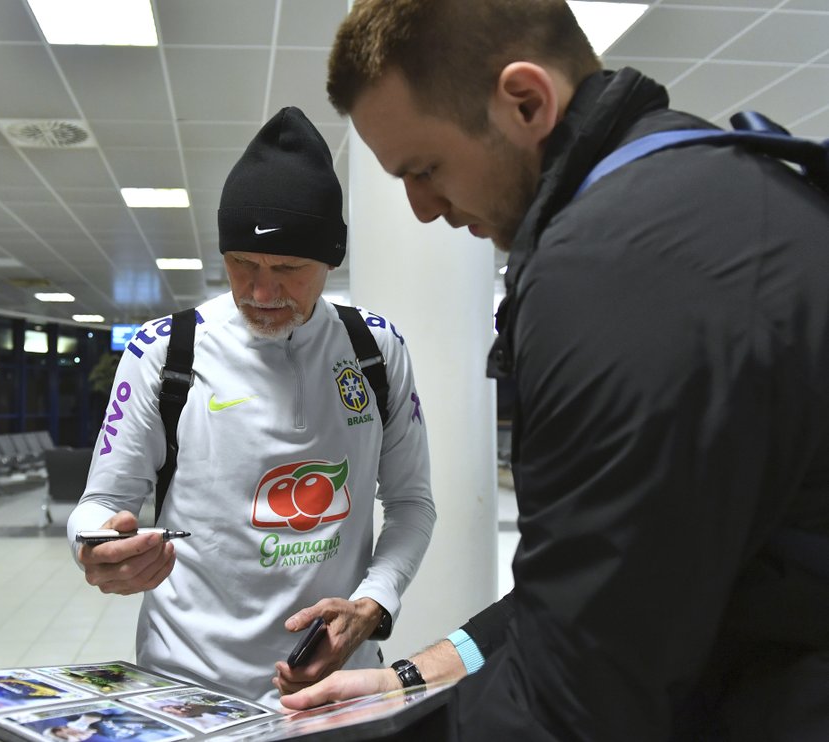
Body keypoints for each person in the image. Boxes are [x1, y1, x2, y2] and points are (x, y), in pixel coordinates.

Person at [279, 1, 829, 739]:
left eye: (426, 169)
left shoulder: (620, 270)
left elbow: (579, 704)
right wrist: (416, 674)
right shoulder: (709, 194)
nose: (420, 210)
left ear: (526, 101)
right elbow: (599, 585)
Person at [67, 106, 436, 708]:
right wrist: (93, 546)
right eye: (243, 264)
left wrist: (374, 604)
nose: (262, 293)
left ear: (331, 259)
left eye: (288, 269)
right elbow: (99, 506)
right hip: (184, 687)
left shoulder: (375, 349)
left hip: (335, 685)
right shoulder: (164, 351)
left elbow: (411, 503)